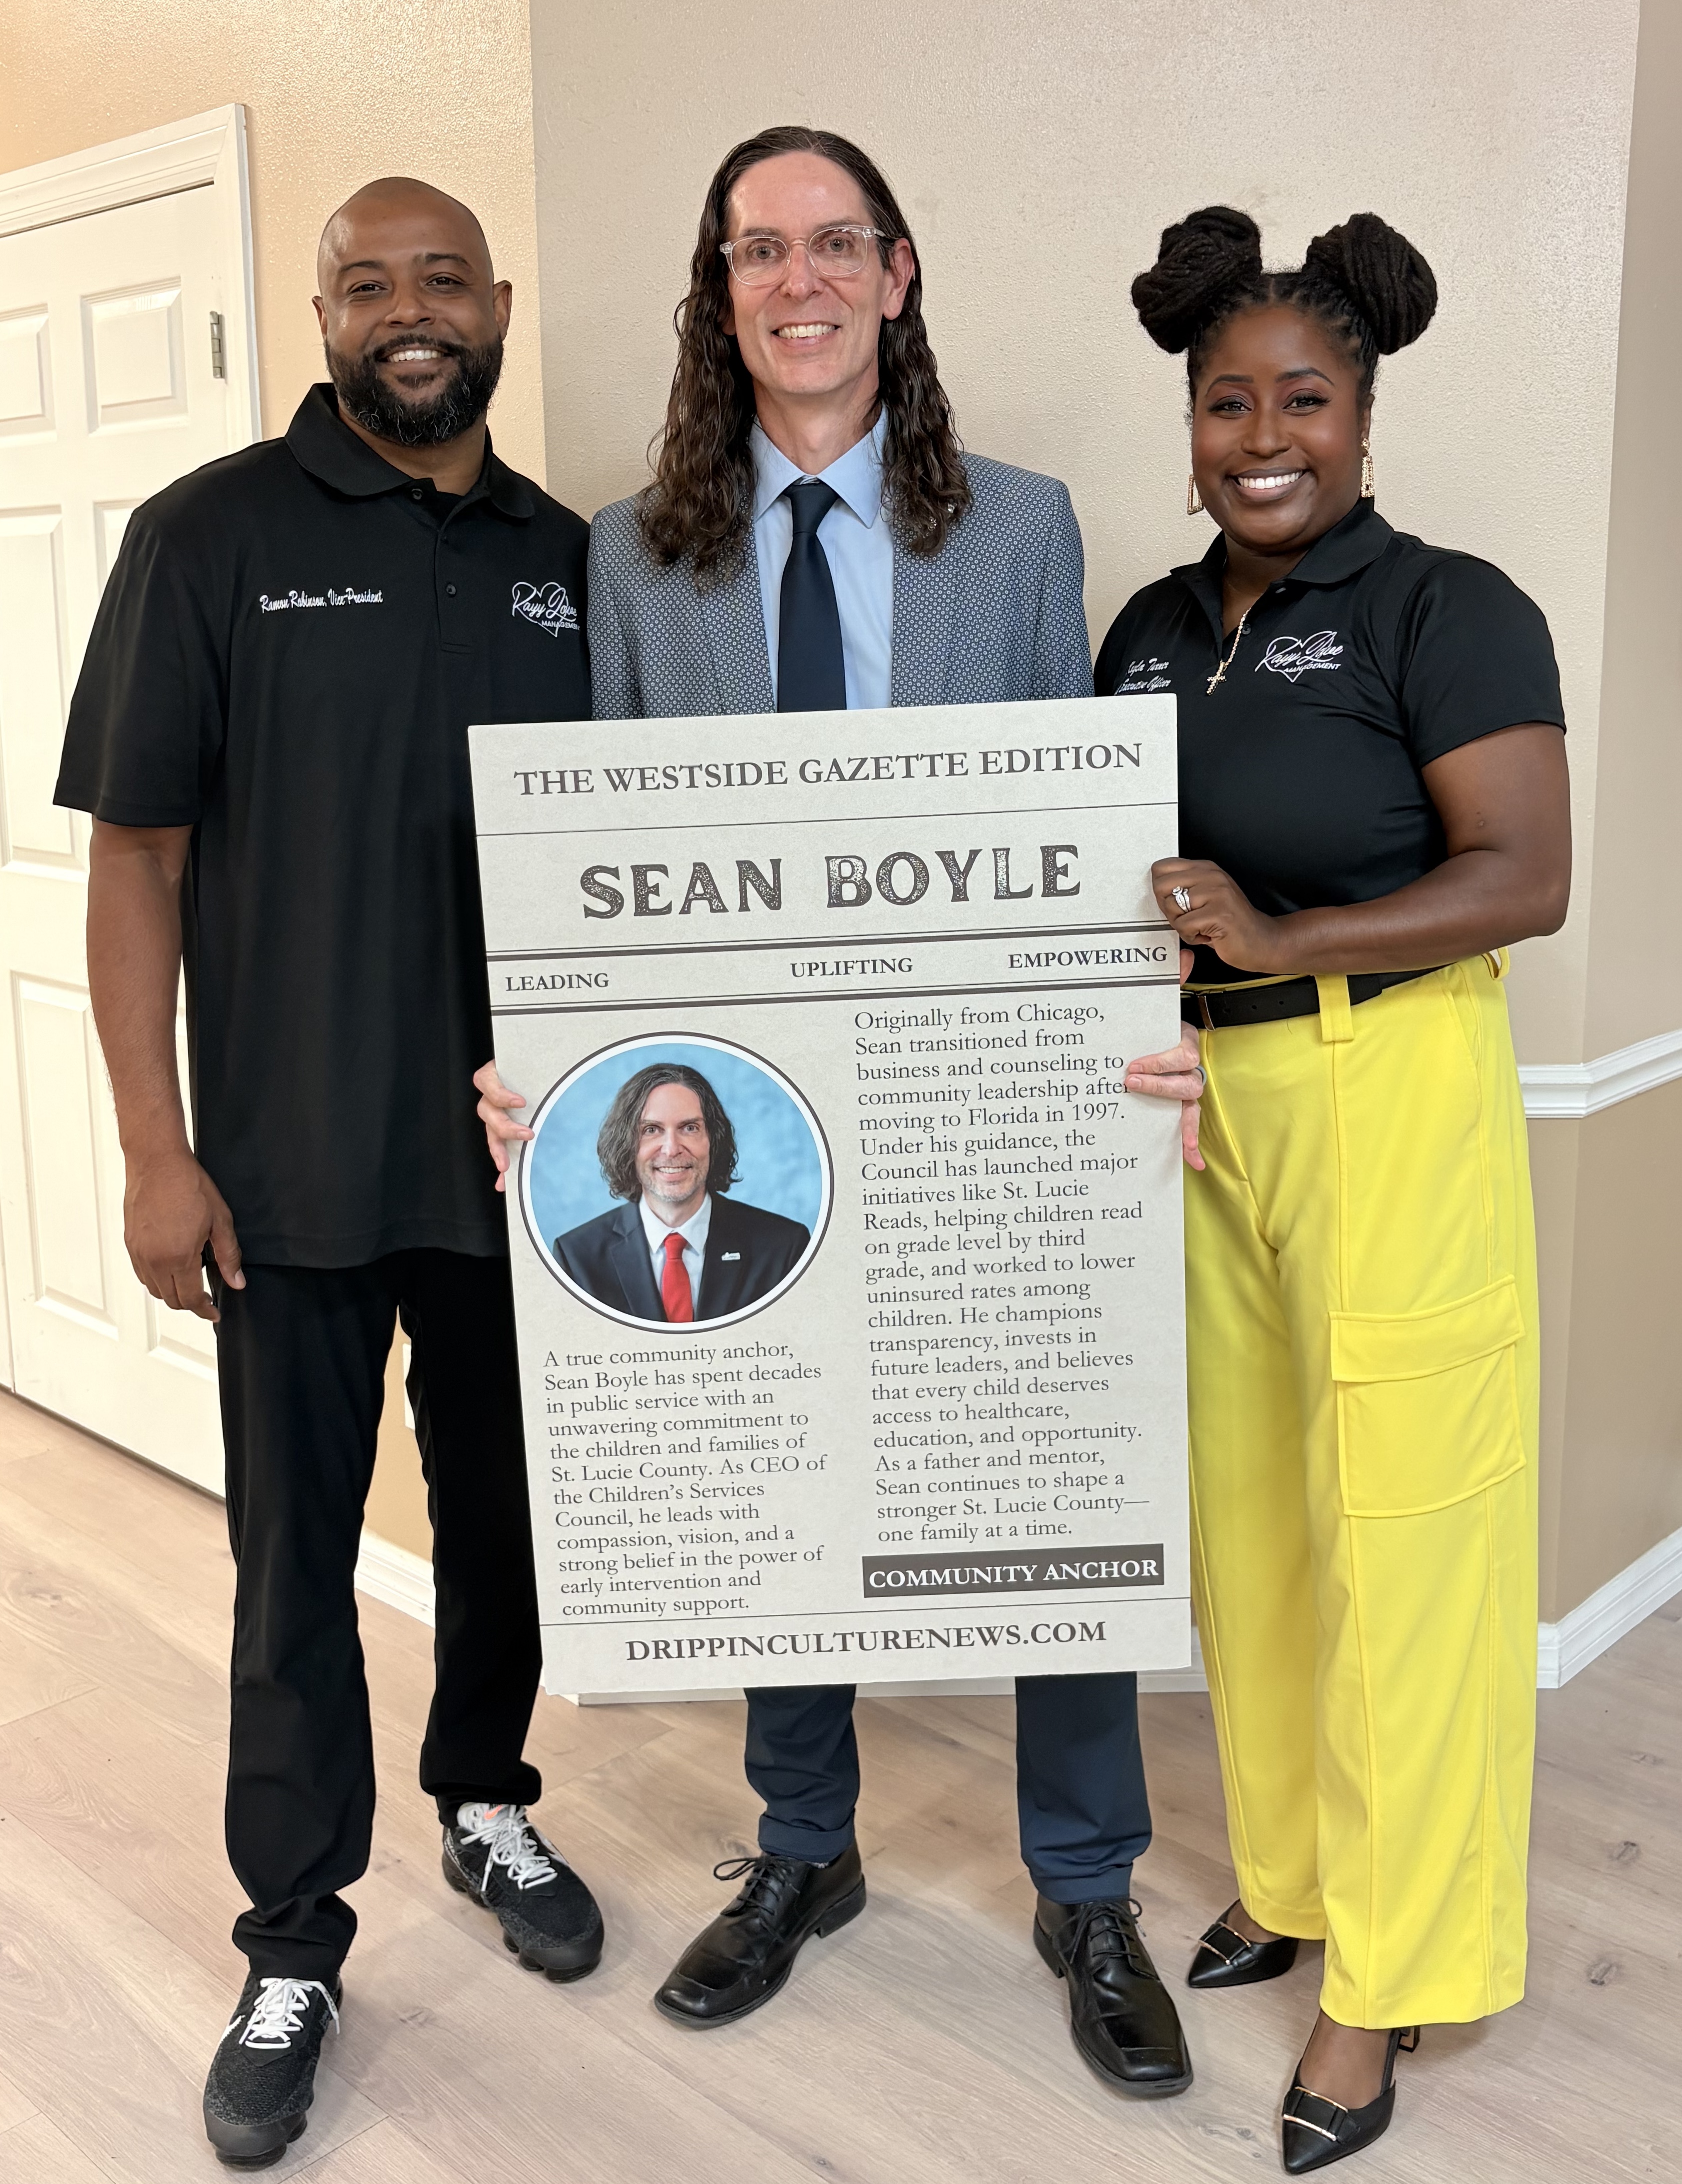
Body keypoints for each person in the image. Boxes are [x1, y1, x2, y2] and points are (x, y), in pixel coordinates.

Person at [478, 123, 1192, 2101]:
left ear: (895, 273)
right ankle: (806, 1847)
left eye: (832, 243)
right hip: (758, 1106)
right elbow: (599, 868)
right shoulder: (635, 554)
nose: (796, 280)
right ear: (720, 295)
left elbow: (1073, 831)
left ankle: (1085, 1883)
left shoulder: (1023, 529)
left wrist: (1134, 1029)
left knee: (1048, 1478)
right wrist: (553, 1059)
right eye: (756, 250)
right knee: (775, 1464)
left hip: (978, 1105)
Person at [55, 178, 605, 2171]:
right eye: (368, 284)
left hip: (523, 1162)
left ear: (497, 302)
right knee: (292, 1563)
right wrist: (154, 1146)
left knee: (509, 1521)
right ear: (323, 314)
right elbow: (137, 855)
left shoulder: (567, 559)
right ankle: (293, 1937)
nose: (408, 310)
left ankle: (486, 1794)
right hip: (281, 1171)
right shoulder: (208, 534)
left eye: (441, 278)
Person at [1100, 206, 1569, 2172]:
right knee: (1253, 1522)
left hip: (1389, 1083)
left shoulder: (1443, 606)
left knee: (1405, 1532)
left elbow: (1526, 876)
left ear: (1363, 417)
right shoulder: (1145, 628)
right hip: (1203, 1105)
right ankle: (1293, 1873)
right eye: (1229, 401)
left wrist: (1286, 937)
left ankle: (1391, 1967)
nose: (1263, 435)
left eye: (1302, 397)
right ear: (1191, 424)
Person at [554, 1063, 810, 1320]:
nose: (671, 1149)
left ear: (714, 1140)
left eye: (689, 1128)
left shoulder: (784, 1248)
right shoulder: (576, 1259)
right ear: (626, 1145)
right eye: (651, 1130)